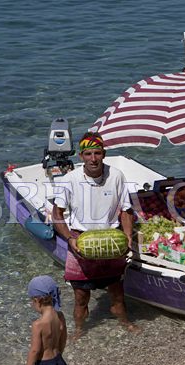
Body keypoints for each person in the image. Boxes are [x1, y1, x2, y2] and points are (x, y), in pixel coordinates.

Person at [51, 131, 139, 338]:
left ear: (104, 154)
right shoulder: (69, 179)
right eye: (88, 154)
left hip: (111, 240)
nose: (93, 158)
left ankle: (124, 321)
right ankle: (80, 329)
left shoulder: (116, 176)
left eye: (97, 153)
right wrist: (70, 239)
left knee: (117, 293)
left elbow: (126, 210)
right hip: (81, 241)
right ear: (81, 156)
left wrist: (127, 236)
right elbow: (57, 215)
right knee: (81, 296)